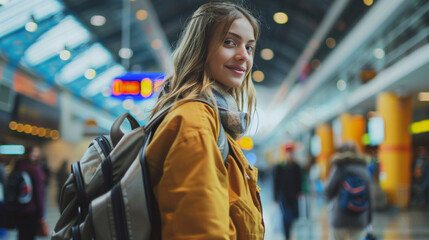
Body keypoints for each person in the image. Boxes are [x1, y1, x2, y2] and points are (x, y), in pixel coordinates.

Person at [144, 2, 264, 239]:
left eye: (249, 47)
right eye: (230, 42)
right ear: (200, 47)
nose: (244, 56)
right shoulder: (195, 120)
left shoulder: (211, 117)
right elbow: (199, 231)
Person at [324, 142, 372, 240]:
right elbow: (370, 198)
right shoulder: (364, 169)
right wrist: (368, 220)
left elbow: (328, 191)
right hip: (360, 217)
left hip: (339, 216)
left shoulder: (339, 168)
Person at [14, 145, 45, 240]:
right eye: (35, 152)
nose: (37, 155)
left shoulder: (18, 167)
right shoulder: (35, 169)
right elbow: (39, 193)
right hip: (32, 210)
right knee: (29, 236)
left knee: (21, 234)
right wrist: (41, 214)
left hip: (18, 207)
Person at [273, 143, 302, 240]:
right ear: (285, 154)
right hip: (283, 196)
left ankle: (289, 231)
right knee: (286, 216)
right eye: (288, 153)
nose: (289, 155)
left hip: (294, 195)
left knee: (293, 216)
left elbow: (299, 180)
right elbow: (276, 183)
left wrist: (300, 192)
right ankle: (287, 236)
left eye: (291, 153)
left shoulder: (296, 166)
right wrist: (275, 197)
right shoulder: (280, 167)